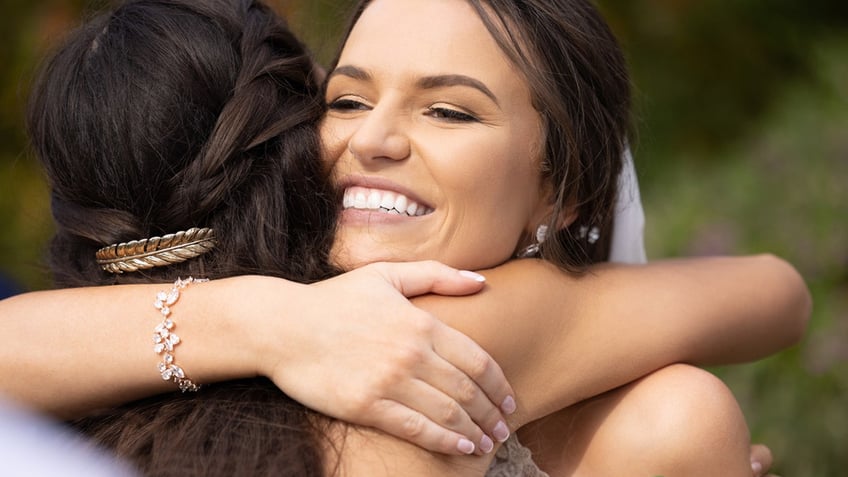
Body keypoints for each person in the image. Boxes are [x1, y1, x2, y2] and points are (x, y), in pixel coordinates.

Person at [3, 0, 807, 475]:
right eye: (347, 102)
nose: (372, 140)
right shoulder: (434, 329)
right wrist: (272, 319)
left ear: (564, 191)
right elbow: (773, 289)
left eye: (449, 110)